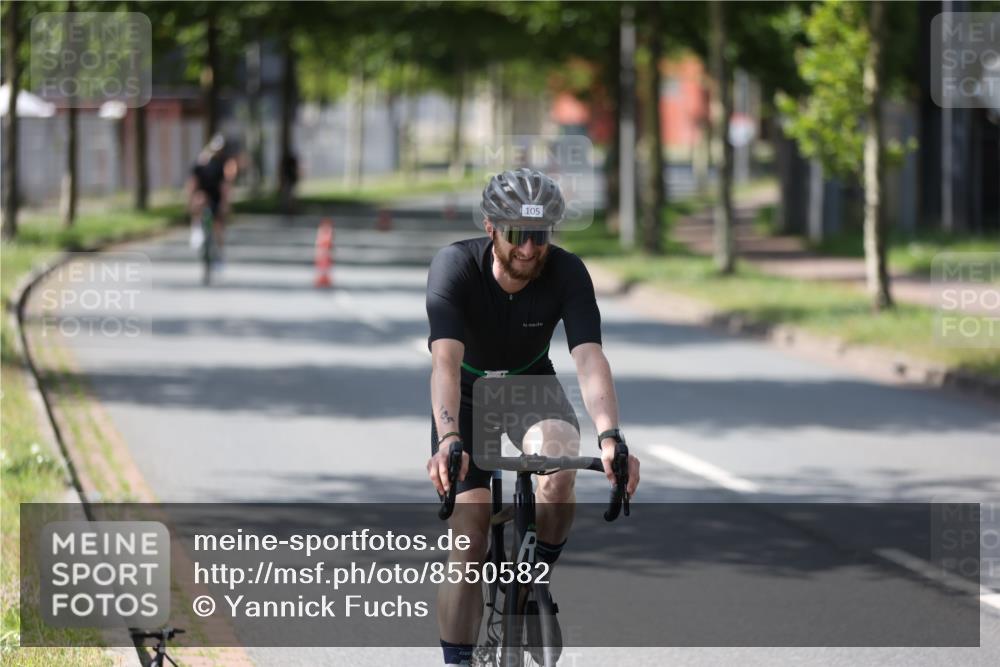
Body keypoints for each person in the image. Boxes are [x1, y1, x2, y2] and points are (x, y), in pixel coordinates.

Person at [425, 167, 641, 667]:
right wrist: (448, 436)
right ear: (490, 227)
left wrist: (610, 436)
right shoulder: (454, 267)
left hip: (529, 385)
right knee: (469, 539)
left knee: (561, 458)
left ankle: (534, 571)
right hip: (468, 392)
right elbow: (445, 362)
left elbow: (588, 357)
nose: (528, 249)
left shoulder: (566, 272)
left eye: (539, 235)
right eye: (517, 235)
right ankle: (458, 661)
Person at [186, 134, 238, 259]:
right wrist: (189, 201)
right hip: (203, 195)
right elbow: (192, 183)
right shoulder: (200, 164)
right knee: (199, 202)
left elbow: (224, 186)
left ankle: (220, 253)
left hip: (216, 197)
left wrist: (226, 204)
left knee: (218, 225)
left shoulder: (222, 165)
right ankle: (197, 228)